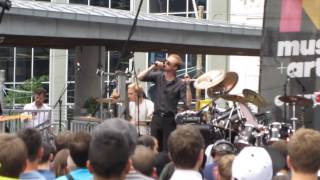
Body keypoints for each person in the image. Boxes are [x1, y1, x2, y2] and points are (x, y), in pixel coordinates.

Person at [138, 53, 192, 151]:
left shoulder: (180, 83)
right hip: (156, 118)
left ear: (175, 68)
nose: (165, 63)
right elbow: (140, 77)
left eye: (168, 63)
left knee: (167, 149)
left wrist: (188, 86)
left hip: (169, 120)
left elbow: (188, 103)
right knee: (153, 148)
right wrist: (153, 66)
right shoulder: (159, 76)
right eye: (165, 61)